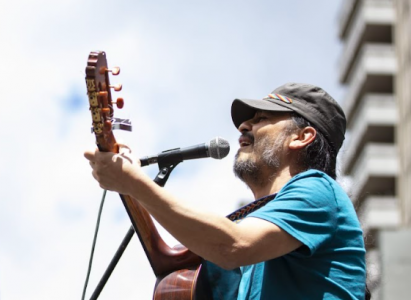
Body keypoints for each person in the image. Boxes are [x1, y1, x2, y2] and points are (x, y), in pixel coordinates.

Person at [84, 82, 367, 299]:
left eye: (263, 118)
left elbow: (230, 246)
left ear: (302, 137)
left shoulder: (318, 189)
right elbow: (171, 264)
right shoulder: (255, 248)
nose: (244, 125)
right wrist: (129, 185)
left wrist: (133, 182)